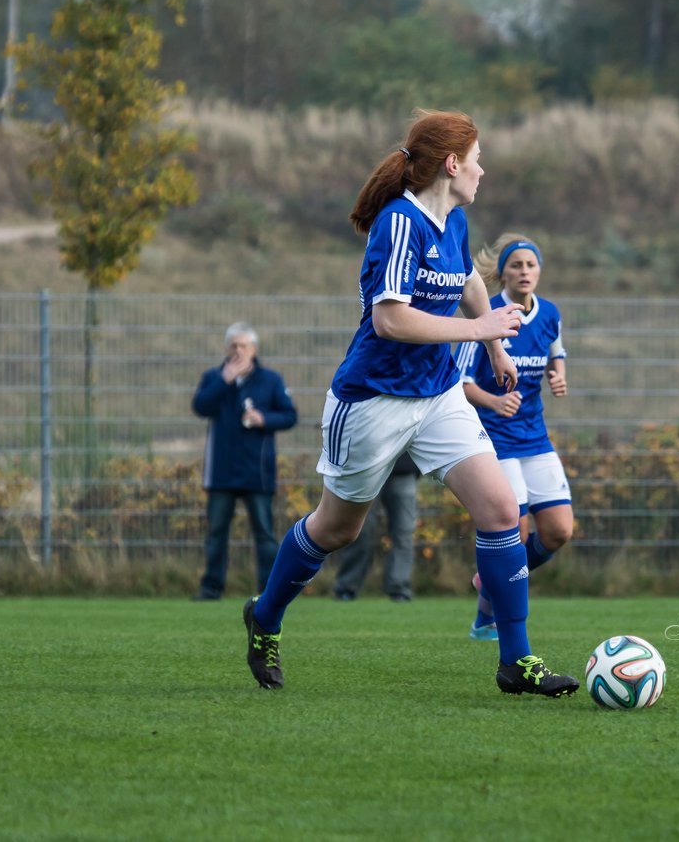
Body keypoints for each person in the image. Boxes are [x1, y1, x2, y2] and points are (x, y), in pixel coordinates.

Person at [242, 109, 578, 698]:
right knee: (337, 529)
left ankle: (515, 660)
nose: (483, 169)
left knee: (501, 510)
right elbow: (390, 320)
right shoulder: (400, 223)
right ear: (452, 165)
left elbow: (470, 284)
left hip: (440, 393)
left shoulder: (452, 220)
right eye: (476, 159)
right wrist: (478, 335)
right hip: (373, 401)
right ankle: (265, 616)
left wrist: (495, 344)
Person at [455, 234, 574, 641]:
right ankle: (489, 618)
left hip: (535, 437)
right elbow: (461, 384)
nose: (525, 272)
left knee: (559, 531)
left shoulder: (550, 313)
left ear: (540, 271)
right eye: (517, 265)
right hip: (496, 440)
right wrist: (493, 401)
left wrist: (558, 374)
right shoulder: (486, 313)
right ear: (502, 272)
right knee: (514, 533)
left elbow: (556, 351)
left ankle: (491, 582)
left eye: (531, 265)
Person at [192, 322, 298, 601]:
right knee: (216, 533)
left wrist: (264, 419)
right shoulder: (214, 377)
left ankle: (269, 591)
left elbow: (289, 416)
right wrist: (223, 381)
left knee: (264, 533)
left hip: (257, 472)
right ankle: (211, 588)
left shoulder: (270, 380)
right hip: (221, 471)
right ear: (226, 348)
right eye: (233, 345)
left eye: (243, 345)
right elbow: (200, 406)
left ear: (254, 349)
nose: (238, 350)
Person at [331, 451, 420, 602]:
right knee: (360, 531)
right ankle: (347, 587)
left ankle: (399, 590)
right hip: (366, 467)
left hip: (404, 468)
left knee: (403, 533)